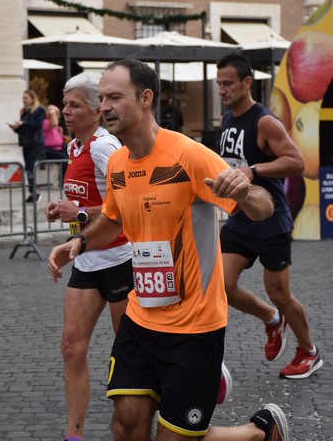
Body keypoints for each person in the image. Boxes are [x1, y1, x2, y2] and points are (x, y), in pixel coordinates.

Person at [48, 58, 289, 441]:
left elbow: (262, 208)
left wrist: (246, 191)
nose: (104, 106)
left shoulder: (187, 154)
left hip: (195, 327)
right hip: (141, 318)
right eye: (102, 98)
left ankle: (259, 432)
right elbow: (112, 218)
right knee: (125, 426)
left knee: (175, 437)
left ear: (146, 98)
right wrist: (79, 241)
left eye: (114, 97)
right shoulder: (117, 162)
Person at [217, 52, 322, 380]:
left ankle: (309, 352)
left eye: (228, 83)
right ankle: (272, 319)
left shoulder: (264, 121)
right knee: (222, 285)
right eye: (218, 84)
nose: (222, 89)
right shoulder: (227, 119)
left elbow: (296, 161)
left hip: (271, 219)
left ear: (247, 83)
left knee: (280, 292)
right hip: (239, 217)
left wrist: (254, 170)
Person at [44, 72, 133, 441]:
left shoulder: (104, 148)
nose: (65, 111)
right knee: (70, 348)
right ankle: (74, 436)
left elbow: (126, 204)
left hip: (120, 260)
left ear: (97, 111)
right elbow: (87, 204)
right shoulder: (73, 147)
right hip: (86, 260)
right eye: (65, 104)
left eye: (74, 105)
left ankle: (136, 422)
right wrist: (65, 213)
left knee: (129, 353)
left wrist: (78, 214)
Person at [8, 89, 46, 203]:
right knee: (28, 168)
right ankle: (32, 193)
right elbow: (23, 129)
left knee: (30, 166)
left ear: (32, 99)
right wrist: (16, 128)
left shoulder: (39, 110)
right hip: (26, 142)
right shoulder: (24, 111)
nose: (24, 100)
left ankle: (35, 192)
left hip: (36, 142)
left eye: (26, 98)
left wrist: (23, 123)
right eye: (23, 98)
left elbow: (38, 125)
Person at [42, 104, 68, 184]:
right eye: (52, 112)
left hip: (60, 148)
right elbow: (54, 123)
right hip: (50, 150)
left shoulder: (56, 126)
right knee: (65, 161)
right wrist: (52, 111)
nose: (54, 114)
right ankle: (62, 181)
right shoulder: (45, 122)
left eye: (56, 113)